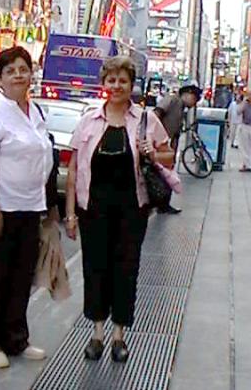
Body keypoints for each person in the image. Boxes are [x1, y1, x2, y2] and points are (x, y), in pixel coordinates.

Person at [65, 56, 174, 363]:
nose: (116, 86)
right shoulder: (89, 120)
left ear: (131, 84)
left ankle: (119, 336)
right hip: (93, 210)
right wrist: (71, 214)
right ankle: (97, 333)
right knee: (95, 269)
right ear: (104, 84)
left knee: (126, 270)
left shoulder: (145, 119)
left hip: (131, 210)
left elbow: (168, 155)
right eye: (111, 80)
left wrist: (153, 152)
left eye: (122, 81)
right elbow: (74, 170)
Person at [0, 46, 53, 369]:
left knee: (20, 277)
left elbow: (45, 157)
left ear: (31, 74)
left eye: (23, 69)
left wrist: (50, 208)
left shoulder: (34, 112)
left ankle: (16, 338)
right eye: (11, 70)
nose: (19, 75)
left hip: (29, 208)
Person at [154, 81, 202, 214]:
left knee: (168, 173)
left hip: (170, 144)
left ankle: (164, 204)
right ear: (187, 94)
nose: (193, 104)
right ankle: (158, 203)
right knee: (160, 173)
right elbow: (157, 113)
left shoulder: (181, 107)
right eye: (194, 99)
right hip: (161, 144)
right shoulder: (172, 99)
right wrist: (157, 135)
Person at [237, 90, 251, 172]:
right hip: (245, 126)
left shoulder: (245, 104)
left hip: (246, 126)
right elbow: (238, 111)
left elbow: (238, 111)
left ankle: (248, 164)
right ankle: (246, 163)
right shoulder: (245, 104)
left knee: (246, 147)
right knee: (245, 146)